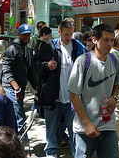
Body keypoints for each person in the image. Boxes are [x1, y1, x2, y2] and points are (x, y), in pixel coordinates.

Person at [67, 24, 119, 158]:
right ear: (94, 40)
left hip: (108, 126)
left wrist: (114, 98)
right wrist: (87, 124)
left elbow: (116, 84)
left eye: (112, 40)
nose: (110, 44)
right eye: (106, 39)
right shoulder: (83, 61)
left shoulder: (115, 61)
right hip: (85, 128)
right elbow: (74, 96)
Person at [35, 20, 86, 158]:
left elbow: (87, 63)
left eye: (71, 34)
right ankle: (51, 153)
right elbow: (36, 66)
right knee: (51, 130)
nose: (68, 37)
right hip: (54, 97)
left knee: (75, 130)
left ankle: (78, 155)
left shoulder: (78, 47)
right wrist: (47, 66)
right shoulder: (48, 46)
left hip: (72, 99)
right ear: (59, 32)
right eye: (66, 34)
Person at [1, 24, 38, 134]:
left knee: (18, 119)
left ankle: (18, 145)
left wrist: (38, 89)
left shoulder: (27, 50)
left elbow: (31, 72)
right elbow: (7, 70)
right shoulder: (11, 50)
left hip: (19, 88)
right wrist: (16, 88)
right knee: (19, 119)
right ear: (18, 35)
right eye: (24, 35)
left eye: (29, 35)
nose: (27, 37)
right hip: (11, 89)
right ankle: (21, 147)